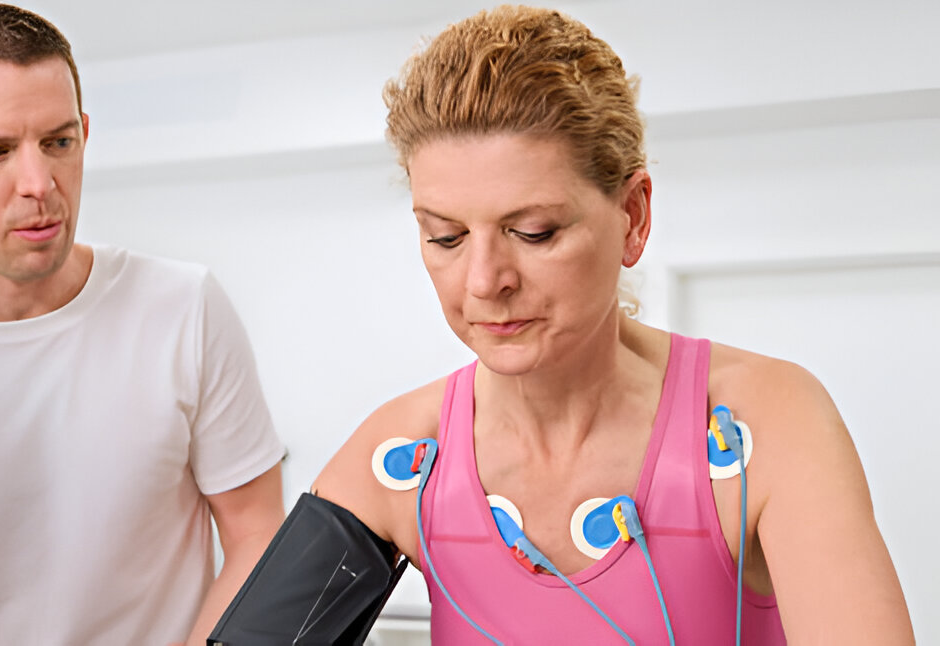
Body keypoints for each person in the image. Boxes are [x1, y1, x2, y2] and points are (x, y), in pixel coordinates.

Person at [246, 5, 911, 644]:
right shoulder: (402, 457)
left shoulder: (767, 421)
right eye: (446, 237)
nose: (484, 281)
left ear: (633, 217)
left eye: (534, 232)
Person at [0, 3, 286, 645]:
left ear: (83, 131)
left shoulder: (185, 308)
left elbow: (258, 535)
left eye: (58, 142)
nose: (40, 183)